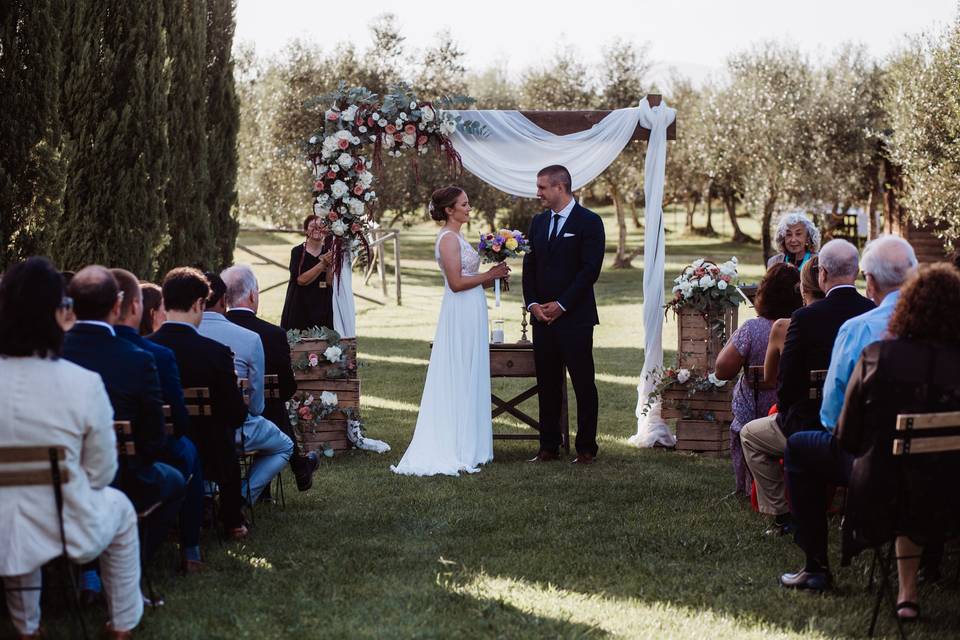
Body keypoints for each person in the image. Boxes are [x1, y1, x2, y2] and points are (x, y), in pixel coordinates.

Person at [0, 257, 143, 639]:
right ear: (60, 312)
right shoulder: (82, 383)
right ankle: (121, 625)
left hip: (5, 527)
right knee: (122, 510)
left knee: (14, 510)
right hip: (64, 524)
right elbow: (102, 471)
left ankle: (27, 627)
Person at [779, 236, 918, 592]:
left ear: (869, 281)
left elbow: (831, 414)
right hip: (938, 467)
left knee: (798, 446)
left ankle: (816, 567)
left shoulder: (859, 331)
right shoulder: (941, 329)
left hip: (873, 463)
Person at [836, 264, 960, 621]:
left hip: (886, 489)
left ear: (908, 308)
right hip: (953, 487)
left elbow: (848, 436)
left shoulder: (878, 357)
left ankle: (907, 594)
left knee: (912, 480)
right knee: (927, 479)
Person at [740, 240, 874, 537]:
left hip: (809, 425)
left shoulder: (805, 317)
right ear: (856, 272)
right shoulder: (871, 311)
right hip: (862, 427)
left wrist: (787, 413)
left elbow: (787, 386)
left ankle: (781, 513)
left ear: (823, 273)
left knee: (750, 435)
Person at [62, 266, 185, 561]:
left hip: (62, 476)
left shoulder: (53, 352)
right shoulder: (139, 360)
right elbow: (154, 439)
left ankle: (90, 572)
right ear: (119, 306)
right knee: (176, 480)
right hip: (125, 474)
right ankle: (132, 560)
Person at [391, 186, 505, 476]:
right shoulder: (448, 240)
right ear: (449, 210)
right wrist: (490, 275)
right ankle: (456, 444)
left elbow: (467, 276)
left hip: (472, 308)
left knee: (471, 369)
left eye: (468, 203)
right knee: (460, 370)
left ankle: (471, 443)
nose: (469, 208)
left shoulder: (458, 236)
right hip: (460, 310)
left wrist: (491, 275)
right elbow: (456, 282)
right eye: (463, 204)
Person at [112, 268, 205, 573]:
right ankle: (190, 548)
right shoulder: (156, 355)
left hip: (83, 463)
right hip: (140, 457)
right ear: (136, 308)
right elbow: (177, 421)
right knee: (188, 451)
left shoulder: (70, 352)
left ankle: (89, 576)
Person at [148, 268, 249, 540]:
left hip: (160, 448)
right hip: (212, 451)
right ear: (198, 304)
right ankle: (232, 521)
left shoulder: (145, 349)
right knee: (225, 432)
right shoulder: (215, 353)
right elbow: (236, 414)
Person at [523, 165, 605, 464]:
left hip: (576, 318)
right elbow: (529, 268)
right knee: (547, 383)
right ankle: (548, 446)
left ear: (560, 187)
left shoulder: (590, 222)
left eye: (542, 187)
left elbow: (589, 271)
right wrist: (533, 304)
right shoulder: (538, 222)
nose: (538, 193)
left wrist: (562, 304)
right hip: (542, 319)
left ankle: (586, 449)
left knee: (583, 383)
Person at [222, 264, 320, 492]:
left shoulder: (213, 329)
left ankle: (300, 467)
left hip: (222, 414)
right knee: (273, 401)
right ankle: (300, 467)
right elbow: (286, 388)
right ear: (252, 295)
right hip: (258, 417)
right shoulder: (273, 334)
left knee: (271, 401)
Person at [199, 272, 293, 504]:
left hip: (190, 433)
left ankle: (206, 491)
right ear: (223, 300)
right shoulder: (249, 339)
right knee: (285, 445)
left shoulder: (184, 336)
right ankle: (241, 496)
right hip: (234, 431)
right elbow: (257, 405)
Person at [715, 263, 802, 495]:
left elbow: (722, 370)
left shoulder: (752, 329)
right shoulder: (801, 326)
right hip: (790, 410)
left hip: (751, 412)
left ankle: (746, 487)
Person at [762, 257, 825, 385]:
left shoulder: (782, 326)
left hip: (795, 403)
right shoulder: (845, 321)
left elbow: (769, 379)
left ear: (803, 288)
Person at [280, 214, 335, 331]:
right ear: (305, 230)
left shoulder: (329, 251)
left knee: (322, 343)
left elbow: (329, 282)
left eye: (321, 226)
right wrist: (322, 264)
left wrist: (330, 264)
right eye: (313, 226)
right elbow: (301, 280)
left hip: (322, 303)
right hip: (299, 303)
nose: (317, 229)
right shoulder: (297, 252)